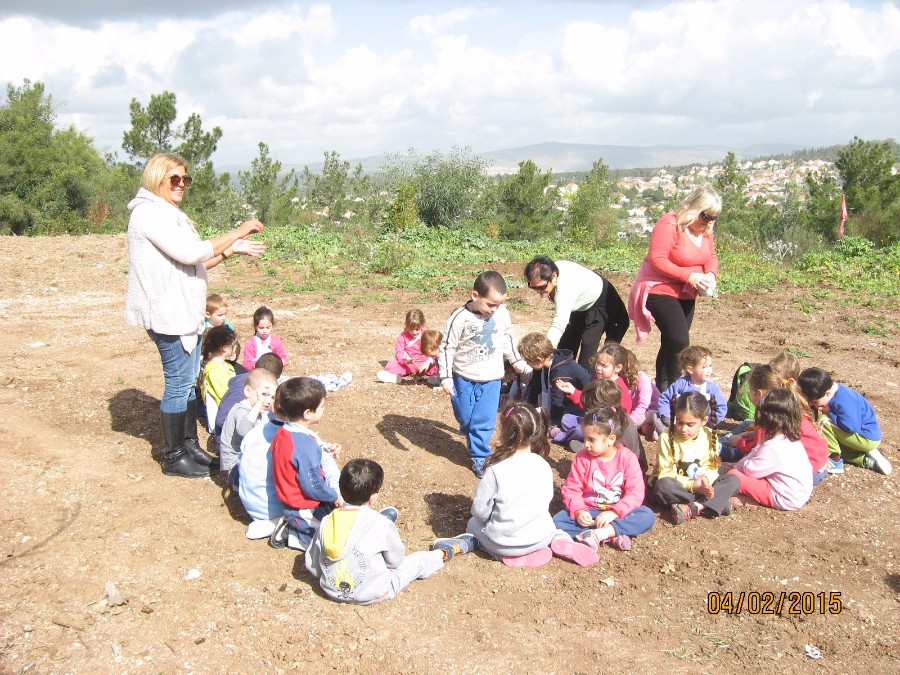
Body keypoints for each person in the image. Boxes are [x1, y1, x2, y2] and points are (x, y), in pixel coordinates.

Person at [125, 152, 265, 478]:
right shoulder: (151, 215)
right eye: (174, 178)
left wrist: (229, 250)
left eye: (185, 179)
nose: (181, 184)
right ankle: (174, 456)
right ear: (156, 177)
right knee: (178, 384)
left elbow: (194, 262)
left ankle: (188, 447)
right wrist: (238, 231)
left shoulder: (166, 213)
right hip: (167, 314)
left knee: (188, 384)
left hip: (179, 312)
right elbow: (191, 252)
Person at [306, 458, 461, 604]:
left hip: (331, 590)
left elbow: (312, 563)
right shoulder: (381, 524)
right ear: (373, 497)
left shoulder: (327, 521)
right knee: (416, 562)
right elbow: (395, 561)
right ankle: (442, 552)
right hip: (374, 592)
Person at [464, 402, 599, 568]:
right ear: (536, 431)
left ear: (505, 433)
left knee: (472, 524)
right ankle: (560, 540)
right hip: (540, 538)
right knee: (552, 527)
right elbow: (545, 500)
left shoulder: (495, 471)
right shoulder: (543, 465)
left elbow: (480, 513)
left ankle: (502, 555)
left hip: (504, 543)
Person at [627, 187, 721, 393]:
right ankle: (672, 388)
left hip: (687, 292)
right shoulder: (670, 224)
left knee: (672, 340)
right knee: (679, 339)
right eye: (706, 215)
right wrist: (690, 276)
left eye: (714, 217)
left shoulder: (706, 231)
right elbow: (657, 259)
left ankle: (661, 389)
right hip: (659, 288)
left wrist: (711, 275)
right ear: (695, 208)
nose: (709, 221)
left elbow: (711, 256)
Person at [438, 271, 527, 478]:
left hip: (492, 377)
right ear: (475, 295)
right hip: (463, 376)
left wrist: (515, 360)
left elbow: (507, 338)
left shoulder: (502, 313)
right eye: (490, 305)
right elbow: (446, 348)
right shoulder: (459, 318)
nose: (494, 310)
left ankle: (481, 457)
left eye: (498, 305)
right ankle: (473, 436)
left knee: (484, 419)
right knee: (466, 419)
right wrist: (445, 377)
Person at [552, 406, 656, 553]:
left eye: (591, 440)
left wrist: (615, 512)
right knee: (559, 520)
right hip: (591, 512)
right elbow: (572, 489)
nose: (586, 444)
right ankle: (613, 534)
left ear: (611, 439)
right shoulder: (582, 458)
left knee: (647, 516)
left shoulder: (627, 458)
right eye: (585, 438)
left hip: (618, 513)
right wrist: (579, 511)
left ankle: (598, 534)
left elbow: (636, 493)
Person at [721, 365, 830, 484]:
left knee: (742, 474)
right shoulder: (787, 404)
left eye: (750, 390)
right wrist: (754, 434)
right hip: (821, 464)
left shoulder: (769, 415)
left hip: (809, 472)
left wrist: (738, 442)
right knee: (748, 424)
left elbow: (757, 448)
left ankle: (720, 446)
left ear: (759, 393)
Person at [269, 377, 342, 551]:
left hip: (293, 502)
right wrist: (333, 496)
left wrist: (324, 448)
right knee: (334, 537)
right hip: (303, 507)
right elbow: (313, 486)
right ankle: (294, 534)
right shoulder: (304, 445)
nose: (324, 410)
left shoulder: (284, 432)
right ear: (307, 413)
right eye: (322, 407)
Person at [524, 256, 629, 371]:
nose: (539, 292)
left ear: (554, 277)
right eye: (533, 287)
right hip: (578, 303)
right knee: (566, 344)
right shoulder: (549, 273)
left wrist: (544, 348)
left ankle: (586, 383)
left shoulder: (565, 290)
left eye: (542, 287)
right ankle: (561, 377)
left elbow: (559, 322)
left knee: (588, 345)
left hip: (599, 300)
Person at [650, 392, 739, 524]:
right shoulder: (666, 437)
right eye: (679, 422)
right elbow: (665, 474)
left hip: (702, 487)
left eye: (690, 425)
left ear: (703, 421)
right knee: (662, 486)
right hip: (677, 486)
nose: (683, 429)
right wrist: (693, 485)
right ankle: (713, 502)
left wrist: (706, 481)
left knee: (733, 480)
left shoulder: (710, 435)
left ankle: (693, 506)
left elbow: (711, 467)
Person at [727, 389, 813, 511]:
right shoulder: (792, 441)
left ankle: (748, 500)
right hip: (798, 494)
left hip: (784, 498)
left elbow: (750, 470)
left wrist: (757, 448)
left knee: (733, 475)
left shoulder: (772, 447)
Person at [797, 367, 890, 475]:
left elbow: (851, 427)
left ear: (827, 393)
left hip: (867, 437)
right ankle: (865, 459)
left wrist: (831, 412)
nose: (812, 404)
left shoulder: (844, 400)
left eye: (814, 402)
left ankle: (834, 460)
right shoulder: (831, 393)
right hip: (862, 437)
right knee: (832, 444)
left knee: (824, 421)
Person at [518, 332, 593, 428]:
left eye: (528, 361)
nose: (527, 364)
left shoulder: (560, 372)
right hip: (563, 404)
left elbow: (558, 402)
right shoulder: (542, 365)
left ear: (538, 360)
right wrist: (524, 408)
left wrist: (547, 419)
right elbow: (533, 387)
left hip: (582, 405)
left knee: (562, 419)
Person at [218, 368, 278, 486]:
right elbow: (244, 431)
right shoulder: (241, 409)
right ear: (248, 391)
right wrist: (259, 404)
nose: (267, 400)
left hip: (249, 460)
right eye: (264, 394)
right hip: (235, 466)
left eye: (272, 397)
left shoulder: (261, 413)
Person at [654, 346, 727, 433]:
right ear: (690, 369)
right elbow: (664, 399)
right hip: (680, 424)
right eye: (704, 367)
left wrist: (709, 422)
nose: (709, 370)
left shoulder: (712, 388)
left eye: (710, 366)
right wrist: (667, 416)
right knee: (656, 416)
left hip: (701, 426)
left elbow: (722, 407)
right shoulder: (681, 384)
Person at [214, 353, 284, 438]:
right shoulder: (240, 392)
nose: (268, 399)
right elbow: (222, 420)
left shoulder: (260, 392)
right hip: (234, 442)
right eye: (264, 394)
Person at [555, 342, 634, 416]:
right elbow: (589, 401)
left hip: (607, 424)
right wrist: (573, 391)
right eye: (598, 362)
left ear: (617, 368)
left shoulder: (618, 389)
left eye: (604, 365)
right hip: (594, 416)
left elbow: (616, 416)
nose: (598, 368)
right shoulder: (598, 379)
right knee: (567, 416)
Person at [377, 309, 441, 385]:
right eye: (411, 329)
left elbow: (434, 349)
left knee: (439, 365)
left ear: (422, 324)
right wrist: (405, 360)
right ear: (406, 325)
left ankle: (437, 378)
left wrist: (427, 363)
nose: (414, 332)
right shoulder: (403, 336)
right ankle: (394, 378)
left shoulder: (426, 334)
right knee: (392, 365)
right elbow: (399, 352)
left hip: (426, 364)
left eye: (417, 329)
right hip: (410, 365)